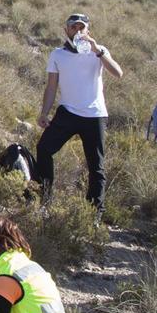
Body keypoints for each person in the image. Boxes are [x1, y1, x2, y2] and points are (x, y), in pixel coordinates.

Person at [34, 13, 124, 215]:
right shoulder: (57, 54)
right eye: (74, 27)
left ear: (88, 31)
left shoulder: (99, 51)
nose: (78, 31)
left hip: (95, 115)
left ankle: (95, 213)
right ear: (66, 30)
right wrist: (44, 112)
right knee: (44, 149)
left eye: (82, 28)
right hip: (68, 112)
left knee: (96, 166)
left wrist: (97, 50)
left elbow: (118, 73)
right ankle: (44, 200)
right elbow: (51, 87)